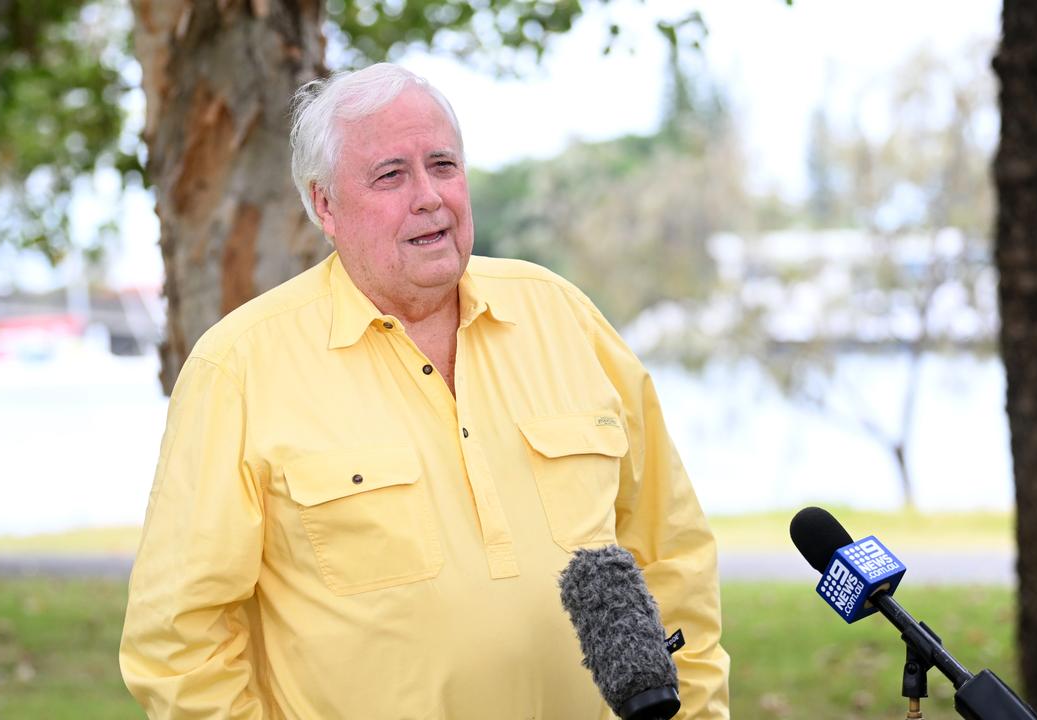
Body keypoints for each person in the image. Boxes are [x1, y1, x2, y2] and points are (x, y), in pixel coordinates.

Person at [119, 62, 730, 719]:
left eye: (443, 165)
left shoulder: (563, 317)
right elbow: (178, 638)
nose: (430, 196)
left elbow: (672, 557)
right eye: (392, 175)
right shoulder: (239, 367)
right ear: (325, 204)